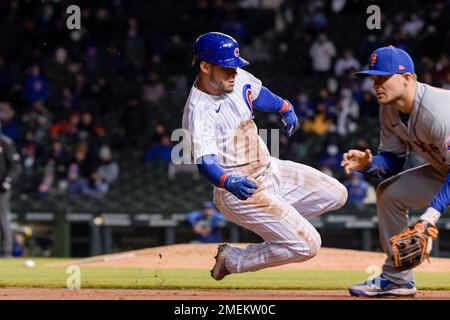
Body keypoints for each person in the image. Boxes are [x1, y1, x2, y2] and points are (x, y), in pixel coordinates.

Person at [182, 32, 347, 281]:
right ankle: (234, 260)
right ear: (205, 67)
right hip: (240, 191)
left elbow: (258, 93)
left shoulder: (234, 79)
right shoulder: (198, 111)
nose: (234, 72)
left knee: (337, 194)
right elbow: (205, 164)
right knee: (309, 245)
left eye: (235, 66)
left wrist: (283, 106)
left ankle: (281, 228)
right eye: (227, 68)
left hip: (270, 169)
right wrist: (228, 181)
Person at [341, 46, 450, 297]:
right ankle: (396, 279)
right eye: (373, 78)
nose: (375, 84)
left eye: (382, 78)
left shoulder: (439, 112)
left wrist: (429, 217)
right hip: (444, 169)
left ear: (407, 78)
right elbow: (394, 160)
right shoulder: (389, 108)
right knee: (390, 193)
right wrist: (368, 165)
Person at [0, 133, 22, 258]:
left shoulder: (5, 142)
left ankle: (6, 251)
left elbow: (16, 167)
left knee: (3, 218)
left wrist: (8, 182)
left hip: (1, 189)